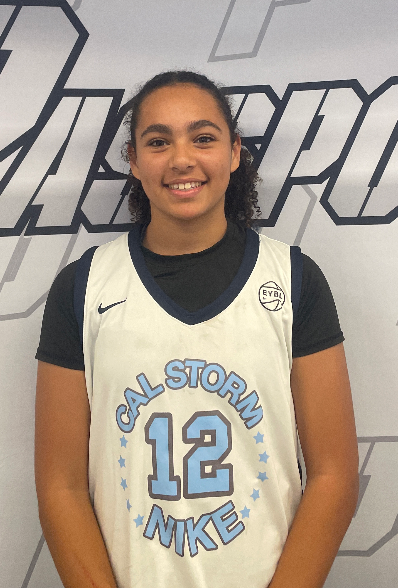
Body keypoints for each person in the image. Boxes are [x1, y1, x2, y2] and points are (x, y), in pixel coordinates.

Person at [35, 70, 359, 588]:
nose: (181, 159)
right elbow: (62, 486)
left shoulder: (293, 279)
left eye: (203, 138)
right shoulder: (83, 287)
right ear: (133, 160)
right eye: (158, 142)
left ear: (234, 153)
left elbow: (334, 476)